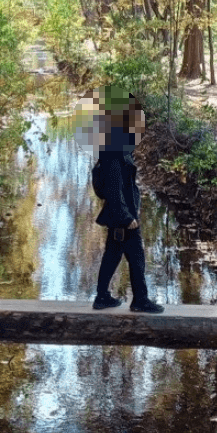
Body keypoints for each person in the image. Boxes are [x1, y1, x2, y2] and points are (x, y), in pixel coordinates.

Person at [90, 92, 163, 314]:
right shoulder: (113, 149)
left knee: (113, 253)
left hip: (121, 213)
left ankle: (102, 296)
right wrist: (126, 217)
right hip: (123, 215)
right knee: (137, 256)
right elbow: (113, 188)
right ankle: (140, 300)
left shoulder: (115, 143)